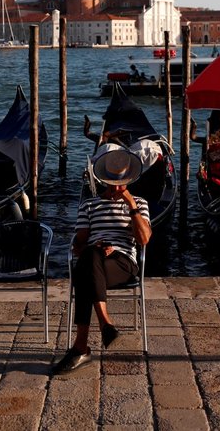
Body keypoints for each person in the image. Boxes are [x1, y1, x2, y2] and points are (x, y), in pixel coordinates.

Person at [53, 149, 152, 374]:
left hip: (123, 262)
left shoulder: (139, 203)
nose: (116, 188)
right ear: (105, 180)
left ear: (128, 180)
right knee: (89, 257)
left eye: (121, 183)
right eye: (112, 183)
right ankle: (105, 326)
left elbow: (144, 239)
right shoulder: (90, 205)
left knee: (85, 273)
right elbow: (79, 245)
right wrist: (95, 248)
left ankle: (81, 348)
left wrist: (131, 206)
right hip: (94, 260)